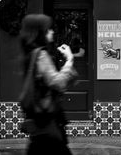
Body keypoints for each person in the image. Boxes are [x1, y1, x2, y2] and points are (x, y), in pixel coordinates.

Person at [19, 14, 78, 155]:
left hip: (39, 123)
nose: (52, 32)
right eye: (48, 29)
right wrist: (69, 60)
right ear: (40, 32)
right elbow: (58, 82)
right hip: (47, 123)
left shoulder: (29, 54)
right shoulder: (40, 55)